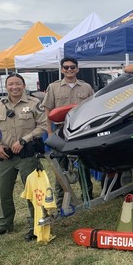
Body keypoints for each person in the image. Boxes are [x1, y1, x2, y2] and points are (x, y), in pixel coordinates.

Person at [0, 73, 47, 241]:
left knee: (33, 192)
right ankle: (4, 224)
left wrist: (24, 140)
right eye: (11, 84)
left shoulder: (34, 103)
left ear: (23, 85)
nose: (14, 87)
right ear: (6, 87)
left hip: (27, 155)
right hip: (6, 156)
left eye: (18, 84)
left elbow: (43, 126)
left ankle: (36, 224)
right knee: (2, 190)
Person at [42, 57, 95, 207]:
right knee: (61, 167)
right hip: (61, 131)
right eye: (66, 67)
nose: (69, 70)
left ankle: (87, 197)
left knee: (84, 165)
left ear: (77, 69)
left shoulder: (86, 88)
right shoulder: (53, 87)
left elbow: (93, 109)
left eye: (72, 67)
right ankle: (62, 201)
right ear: (61, 70)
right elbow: (47, 112)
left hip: (82, 131)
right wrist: (50, 133)